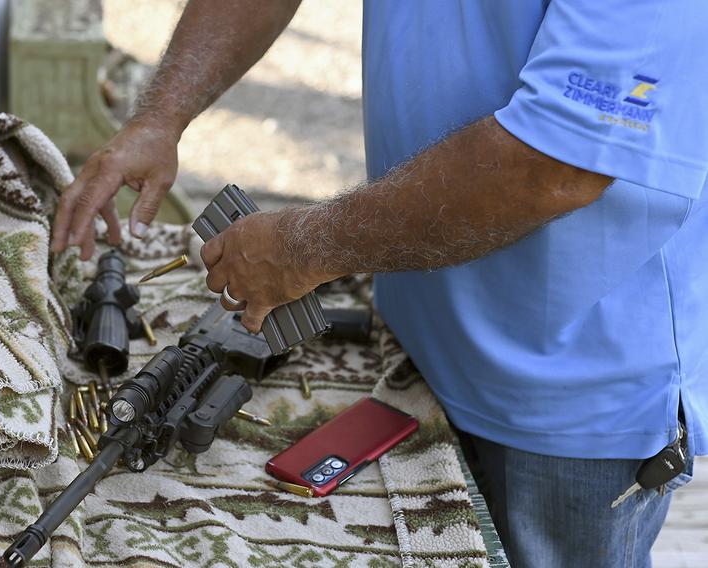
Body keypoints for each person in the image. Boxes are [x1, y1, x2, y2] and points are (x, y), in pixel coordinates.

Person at [51, 1, 708, 565]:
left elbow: (553, 165)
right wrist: (160, 116)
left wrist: (303, 249)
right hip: (416, 334)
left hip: (564, 404)